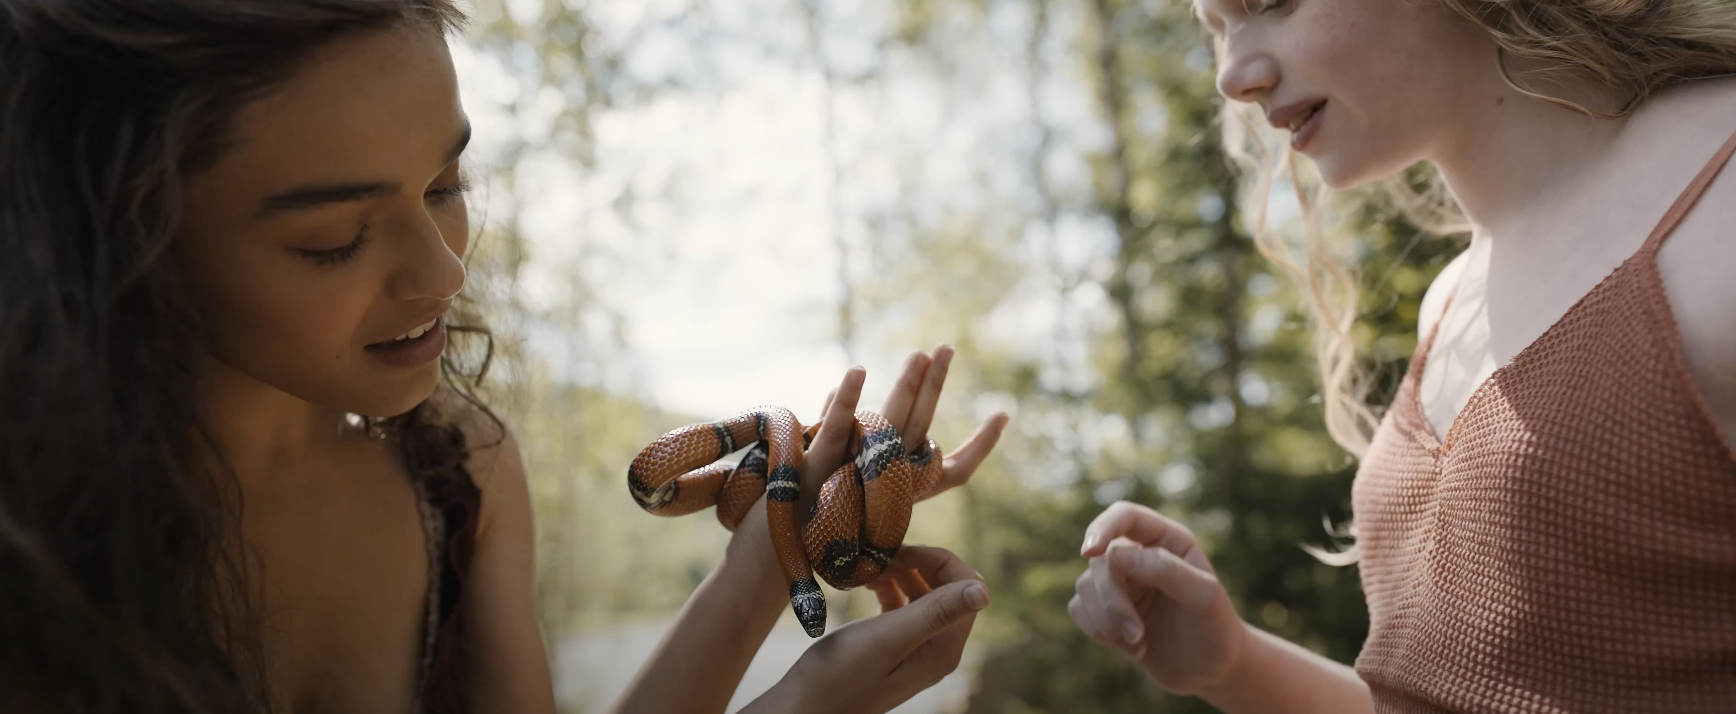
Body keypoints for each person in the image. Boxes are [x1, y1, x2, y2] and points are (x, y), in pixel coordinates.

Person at [0, 2, 1008, 712]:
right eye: (333, 240)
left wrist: (773, 554)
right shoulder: (33, 545)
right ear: (120, 242)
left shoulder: (458, 476)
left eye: (445, 183)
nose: (441, 273)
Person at [1067, 0, 1736, 711]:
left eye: (1270, 5)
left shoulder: (1719, 207)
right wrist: (1234, 664)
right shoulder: (1449, 302)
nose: (1233, 76)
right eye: (1217, 31)